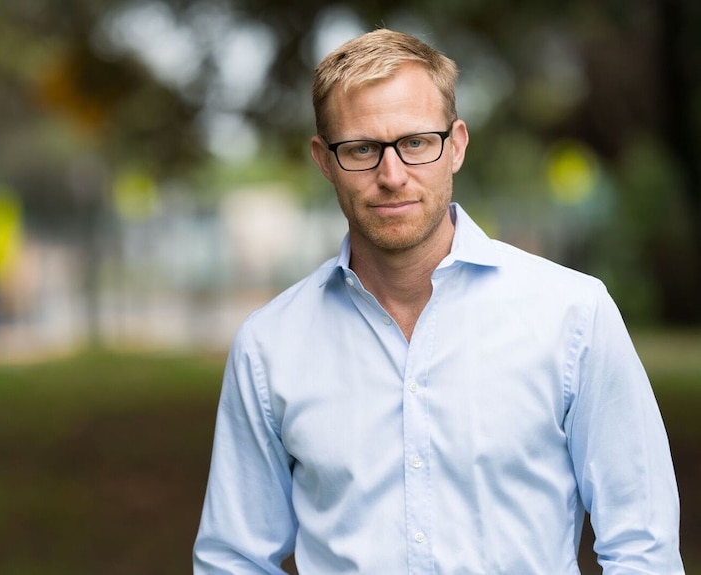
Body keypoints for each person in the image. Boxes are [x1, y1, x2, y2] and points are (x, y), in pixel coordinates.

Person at [193, 28, 684, 574]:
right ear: (323, 160)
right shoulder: (269, 346)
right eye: (361, 149)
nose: (392, 175)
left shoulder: (573, 316)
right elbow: (233, 559)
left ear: (456, 145)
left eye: (416, 143)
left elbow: (642, 547)